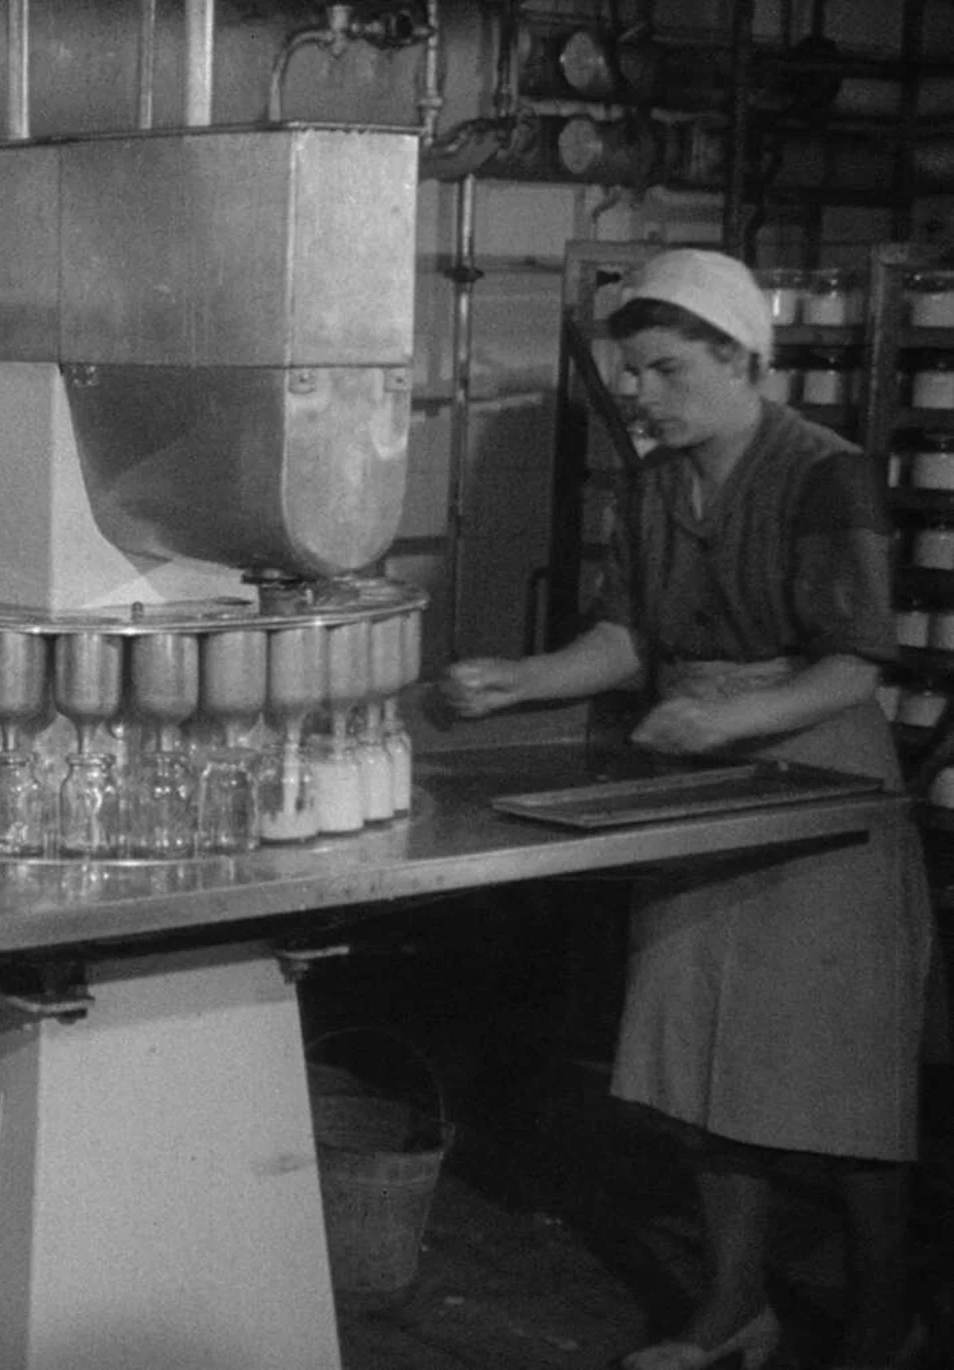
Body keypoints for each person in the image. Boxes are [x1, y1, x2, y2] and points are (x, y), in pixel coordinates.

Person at [442, 249, 939, 1370]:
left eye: (664, 372)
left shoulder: (826, 473)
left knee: (839, 1080)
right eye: (633, 377)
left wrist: (723, 721)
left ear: (740, 357)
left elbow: (855, 663)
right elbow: (629, 639)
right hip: (698, 778)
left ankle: (882, 1319)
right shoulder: (656, 483)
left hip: (819, 780)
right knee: (704, 1066)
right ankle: (732, 1306)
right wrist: (521, 678)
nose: (644, 396)